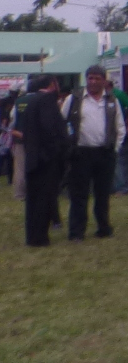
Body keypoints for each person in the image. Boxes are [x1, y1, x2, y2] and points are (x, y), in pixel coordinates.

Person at [65, 66, 122, 242]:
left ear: (104, 81)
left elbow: (120, 127)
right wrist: (69, 146)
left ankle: (104, 228)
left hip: (104, 153)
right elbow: (63, 122)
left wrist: (114, 149)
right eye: (90, 78)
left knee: (102, 194)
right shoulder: (74, 99)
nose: (93, 82)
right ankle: (76, 232)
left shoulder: (112, 100)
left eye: (97, 78)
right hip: (81, 153)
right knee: (79, 195)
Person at [18, 75, 68, 247]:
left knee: (33, 200)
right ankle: (40, 237)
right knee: (44, 198)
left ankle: (32, 236)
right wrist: (57, 149)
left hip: (33, 157)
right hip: (45, 159)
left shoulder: (31, 102)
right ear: (52, 85)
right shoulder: (47, 100)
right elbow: (49, 129)